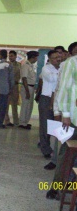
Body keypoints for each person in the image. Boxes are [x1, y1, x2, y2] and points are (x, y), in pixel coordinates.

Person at [46, 53, 77, 200]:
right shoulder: (72, 62)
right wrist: (62, 113)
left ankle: (72, 187)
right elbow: (62, 89)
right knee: (65, 154)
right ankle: (56, 188)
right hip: (71, 118)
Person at [38, 50, 60, 159]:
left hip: (57, 98)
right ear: (50, 59)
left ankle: (54, 149)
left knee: (55, 126)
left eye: (59, 57)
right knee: (45, 125)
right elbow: (51, 78)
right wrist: (60, 75)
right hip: (46, 98)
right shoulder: (46, 68)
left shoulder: (62, 68)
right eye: (55, 57)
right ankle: (45, 149)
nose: (58, 59)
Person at [19, 51, 39, 129]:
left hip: (31, 87)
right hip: (27, 87)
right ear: (32, 57)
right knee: (25, 106)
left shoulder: (30, 65)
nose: (37, 59)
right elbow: (24, 78)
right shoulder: (25, 65)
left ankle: (26, 122)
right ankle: (22, 123)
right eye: (36, 57)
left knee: (29, 106)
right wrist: (27, 91)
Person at [0, 49, 14, 129]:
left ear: (0, 55)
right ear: (6, 55)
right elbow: (11, 78)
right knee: (3, 107)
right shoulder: (9, 65)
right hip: (5, 89)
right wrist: (11, 88)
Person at [4, 50, 21, 126]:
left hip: (15, 86)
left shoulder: (19, 65)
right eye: (9, 56)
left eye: (12, 56)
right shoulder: (6, 64)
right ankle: (6, 121)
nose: (10, 57)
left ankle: (16, 122)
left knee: (14, 105)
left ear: (15, 56)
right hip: (7, 86)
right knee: (6, 105)